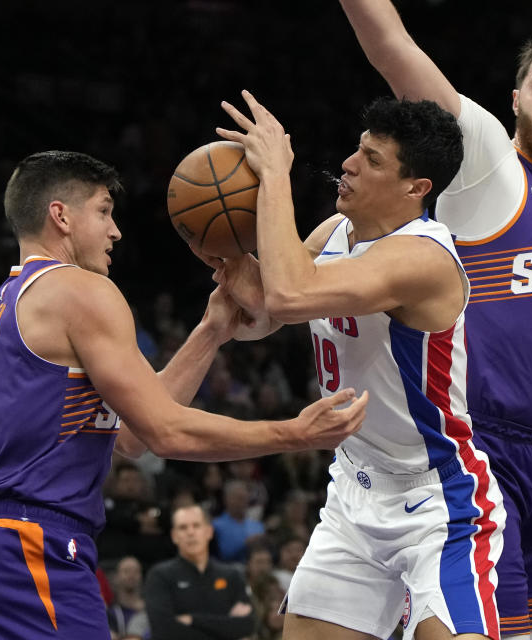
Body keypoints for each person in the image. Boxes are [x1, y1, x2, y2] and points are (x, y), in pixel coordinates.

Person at [0, 150, 368, 640]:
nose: (115, 231)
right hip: (28, 550)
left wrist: (210, 332)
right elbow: (164, 432)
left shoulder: (4, 302)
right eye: (103, 211)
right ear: (61, 216)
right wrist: (294, 433)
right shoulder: (79, 291)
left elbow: (132, 436)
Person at [339, 4, 532, 637]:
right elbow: (391, 46)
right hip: (468, 444)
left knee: (523, 629)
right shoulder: (487, 165)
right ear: (516, 98)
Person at [212, 91, 504, 639]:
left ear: (416, 188)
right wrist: (230, 263)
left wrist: (274, 173)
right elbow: (268, 314)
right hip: (355, 487)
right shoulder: (335, 233)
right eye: (358, 150)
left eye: (372, 161)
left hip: (438, 502)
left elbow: (292, 295)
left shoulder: (425, 257)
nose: (348, 164)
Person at [145, 504, 255, 640]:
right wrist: (226, 626)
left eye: (196, 526)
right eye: (183, 527)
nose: (190, 532)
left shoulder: (231, 575)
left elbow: (247, 625)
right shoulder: (159, 575)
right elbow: (164, 631)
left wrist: (193, 620)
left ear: (209, 531)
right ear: (174, 536)